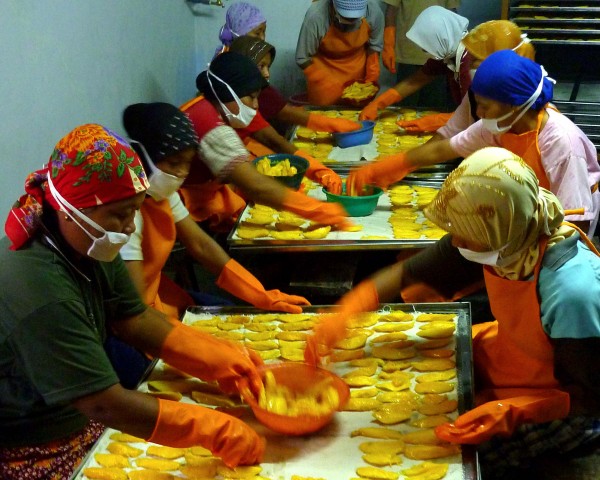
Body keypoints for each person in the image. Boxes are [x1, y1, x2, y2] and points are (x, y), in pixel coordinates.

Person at [305, 147, 600, 478]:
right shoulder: (505, 229)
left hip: (566, 406)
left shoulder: (573, 295)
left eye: (465, 235)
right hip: (511, 357)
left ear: (497, 232)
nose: (455, 241)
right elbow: (408, 273)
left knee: (457, 454)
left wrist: (515, 411)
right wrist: (346, 312)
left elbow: (591, 396)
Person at [0, 124, 265, 479]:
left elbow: (134, 317)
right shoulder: (37, 286)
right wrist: (209, 428)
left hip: (82, 417)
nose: (128, 227)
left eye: (135, 210)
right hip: (31, 442)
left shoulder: (87, 244)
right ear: (70, 209)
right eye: (118, 214)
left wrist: (216, 358)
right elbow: (102, 402)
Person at [349, 49, 600, 235]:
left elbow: (576, 219)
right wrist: (381, 168)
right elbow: (441, 149)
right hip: (528, 207)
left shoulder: (560, 143)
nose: (478, 113)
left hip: (563, 220)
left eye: (484, 105)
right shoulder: (498, 125)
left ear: (514, 105)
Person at [121, 101, 311, 320]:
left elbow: (201, 245)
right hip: (137, 317)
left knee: (227, 308)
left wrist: (260, 294)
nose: (182, 173)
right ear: (144, 158)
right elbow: (134, 314)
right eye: (174, 163)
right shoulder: (126, 215)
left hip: (159, 295)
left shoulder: (162, 193)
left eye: (188, 163)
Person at [179, 51, 353, 231]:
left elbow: (276, 142)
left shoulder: (233, 109)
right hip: (185, 205)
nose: (255, 105)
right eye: (252, 97)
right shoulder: (209, 125)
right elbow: (256, 186)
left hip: (208, 194)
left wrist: (318, 171)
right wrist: (317, 209)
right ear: (227, 93)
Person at [228, 35, 362, 195]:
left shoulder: (250, 99)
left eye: (268, 67)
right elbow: (282, 125)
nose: (266, 74)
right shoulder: (223, 111)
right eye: (261, 66)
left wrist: (317, 170)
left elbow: (276, 141)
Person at [397, 19, 536, 137]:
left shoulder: (525, 111)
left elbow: (475, 119)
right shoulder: (449, 53)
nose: (471, 66)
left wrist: (438, 121)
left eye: (475, 62)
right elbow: (468, 120)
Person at [359, 5, 469, 121]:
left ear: (441, 39)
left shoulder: (471, 63)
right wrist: (377, 104)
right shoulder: (448, 50)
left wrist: (437, 121)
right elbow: (415, 81)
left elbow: (476, 114)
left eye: (426, 47)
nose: (423, 51)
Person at [295, 0, 384, 106]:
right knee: (325, 118)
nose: (351, 22)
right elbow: (302, 58)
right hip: (324, 72)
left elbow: (374, 46)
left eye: (355, 19)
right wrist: (321, 80)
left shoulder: (373, 11)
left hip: (357, 73)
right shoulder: (316, 16)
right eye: (346, 18)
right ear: (333, 6)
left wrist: (371, 75)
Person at [381, 0, 461, 111]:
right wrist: (388, 44)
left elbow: (452, 11)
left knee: (434, 106)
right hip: (408, 52)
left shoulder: (465, 62)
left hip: (438, 50)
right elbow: (391, 11)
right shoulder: (432, 61)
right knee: (405, 108)